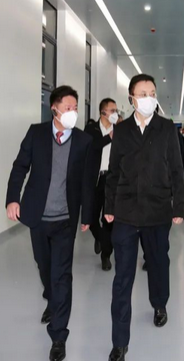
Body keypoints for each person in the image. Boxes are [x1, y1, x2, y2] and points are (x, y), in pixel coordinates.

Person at [5, 85, 94, 361]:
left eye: (76, 108)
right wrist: (12, 199)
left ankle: (58, 336)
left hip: (66, 219)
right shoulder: (36, 133)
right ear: (54, 108)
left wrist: (87, 216)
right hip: (38, 216)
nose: (73, 112)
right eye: (68, 107)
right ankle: (52, 299)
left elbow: (87, 182)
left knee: (62, 275)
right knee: (45, 267)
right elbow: (20, 167)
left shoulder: (83, 141)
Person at [104, 74, 184, 361]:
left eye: (152, 92)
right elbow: (113, 171)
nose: (149, 97)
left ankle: (159, 303)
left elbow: (176, 169)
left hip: (157, 211)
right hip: (126, 213)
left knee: (159, 264)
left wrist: (179, 207)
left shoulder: (166, 129)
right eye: (143, 93)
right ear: (131, 98)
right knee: (122, 278)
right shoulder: (122, 130)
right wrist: (109, 206)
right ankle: (119, 342)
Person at [84, 98, 118, 271]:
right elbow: (91, 147)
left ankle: (106, 255)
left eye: (116, 110)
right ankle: (99, 237)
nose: (115, 113)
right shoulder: (91, 129)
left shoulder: (120, 131)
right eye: (112, 110)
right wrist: (109, 138)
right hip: (95, 180)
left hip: (112, 180)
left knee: (109, 219)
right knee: (90, 217)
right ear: (103, 112)